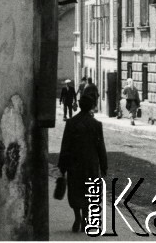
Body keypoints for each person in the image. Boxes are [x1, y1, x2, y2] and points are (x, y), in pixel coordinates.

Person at [58, 95, 108, 233]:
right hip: (91, 165)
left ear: (80, 106)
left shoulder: (71, 123)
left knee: (75, 191)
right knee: (89, 191)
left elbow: (65, 146)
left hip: (74, 165)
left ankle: (77, 217)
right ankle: (86, 218)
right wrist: (104, 165)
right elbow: (100, 147)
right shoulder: (96, 125)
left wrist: (62, 167)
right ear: (91, 106)